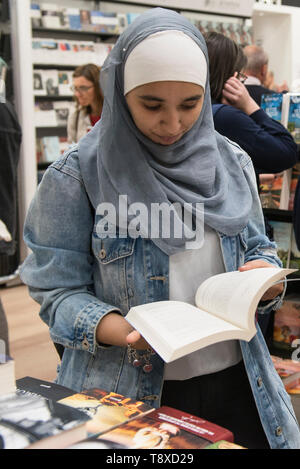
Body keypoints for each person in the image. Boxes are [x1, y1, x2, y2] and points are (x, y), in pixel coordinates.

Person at [19, 8, 300, 449]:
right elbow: (55, 292)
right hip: (130, 391)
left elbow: (257, 246)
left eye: (190, 105)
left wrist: (261, 277)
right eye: (151, 105)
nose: (172, 125)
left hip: (241, 383)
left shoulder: (231, 163)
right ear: (120, 93)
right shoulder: (77, 177)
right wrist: (120, 328)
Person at [204, 32, 298, 337]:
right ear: (229, 76)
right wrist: (250, 106)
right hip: (234, 240)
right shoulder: (227, 116)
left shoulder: (203, 114)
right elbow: (284, 151)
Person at [67, 63, 103, 144]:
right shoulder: (75, 118)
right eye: (75, 88)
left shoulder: (116, 116)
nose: (77, 94)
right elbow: (71, 153)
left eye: (83, 88)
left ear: (99, 87)